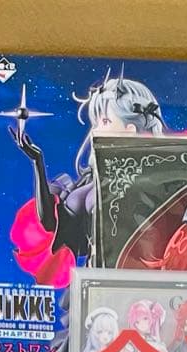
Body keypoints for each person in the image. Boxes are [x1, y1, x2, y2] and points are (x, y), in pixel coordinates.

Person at [9, 68, 169, 287]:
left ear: (130, 129)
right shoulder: (88, 181)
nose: (94, 131)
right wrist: (37, 161)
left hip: (129, 286)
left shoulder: (147, 184)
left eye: (105, 121)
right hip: (92, 284)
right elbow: (51, 225)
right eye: (96, 122)